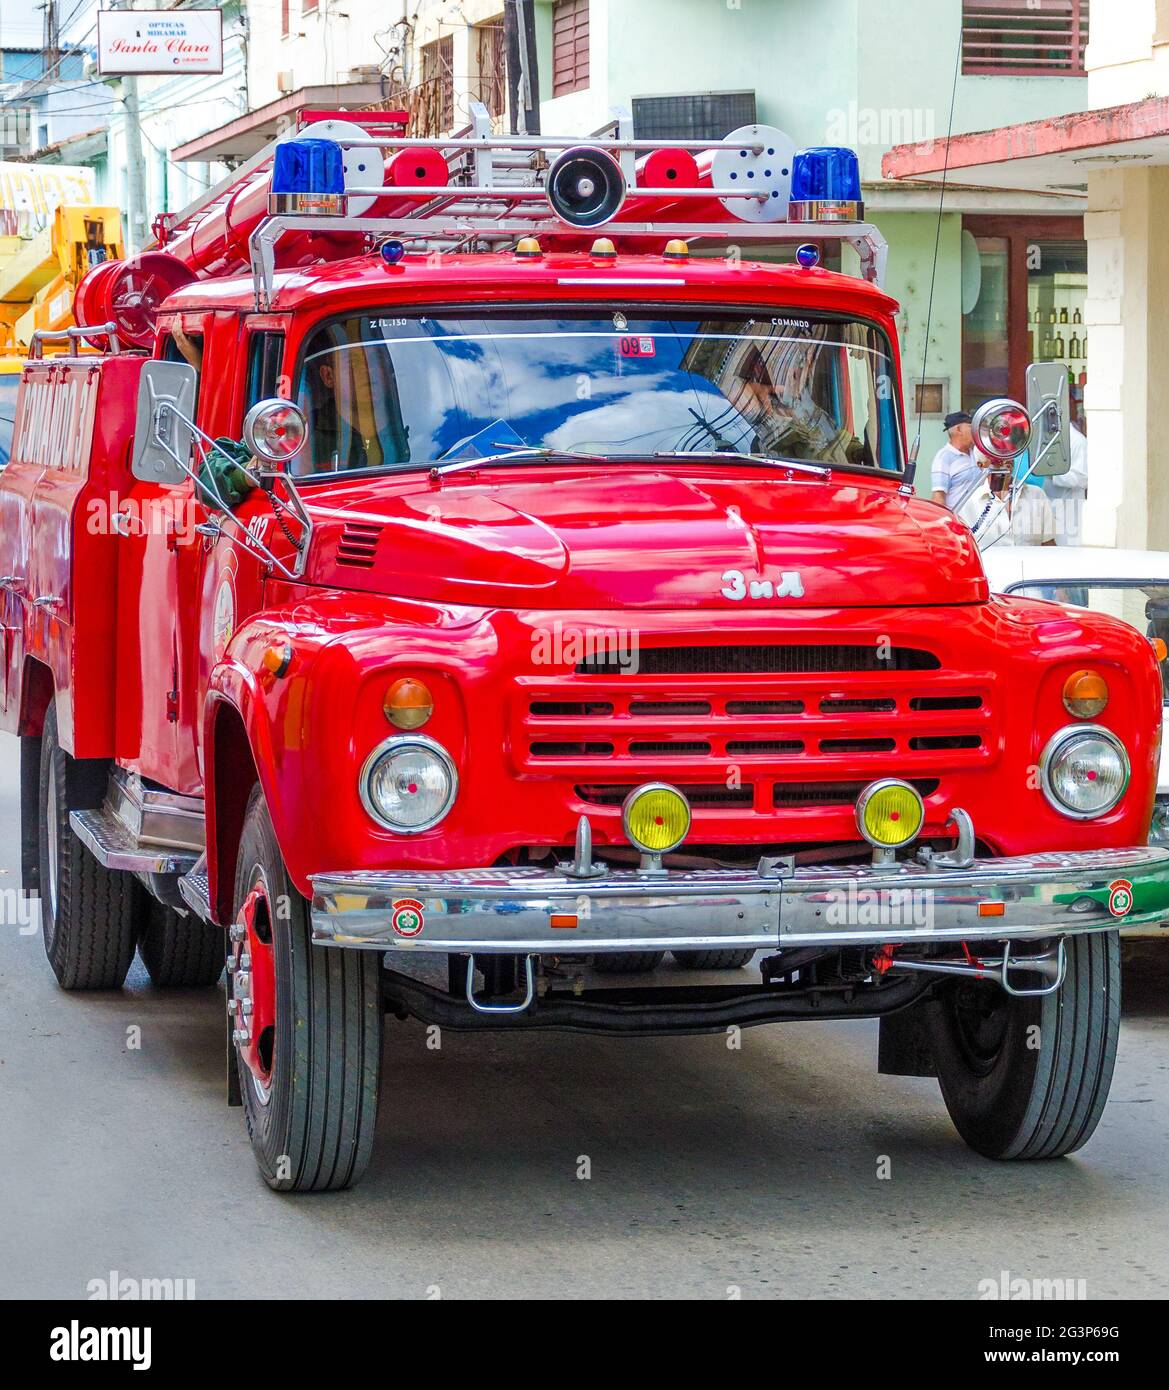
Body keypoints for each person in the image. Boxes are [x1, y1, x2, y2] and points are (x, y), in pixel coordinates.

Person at [959, 457, 1056, 548]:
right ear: (981, 463)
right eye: (997, 451)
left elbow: (1048, 545)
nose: (1006, 456)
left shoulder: (1036, 495)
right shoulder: (968, 502)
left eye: (1010, 451)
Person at [1045, 421, 1088, 546]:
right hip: (1048, 505)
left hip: (1069, 507)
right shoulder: (1044, 440)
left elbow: (1082, 478)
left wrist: (1051, 473)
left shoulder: (1078, 441)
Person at [930, 411, 983, 511]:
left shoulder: (978, 452)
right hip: (959, 520)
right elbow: (938, 497)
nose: (975, 431)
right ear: (959, 429)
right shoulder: (944, 458)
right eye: (970, 427)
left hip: (981, 517)